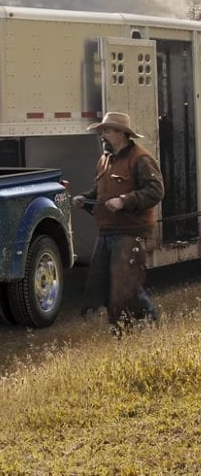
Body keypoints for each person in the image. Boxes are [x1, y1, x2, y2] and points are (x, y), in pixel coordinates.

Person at [72, 112, 164, 333]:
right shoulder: (105, 160)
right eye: (102, 130)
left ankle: (147, 325)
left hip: (130, 232)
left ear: (121, 134)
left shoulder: (141, 159)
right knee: (105, 284)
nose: (103, 134)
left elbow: (156, 191)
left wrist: (124, 201)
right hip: (107, 232)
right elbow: (100, 193)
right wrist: (85, 199)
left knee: (125, 286)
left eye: (107, 130)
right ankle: (129, 328)